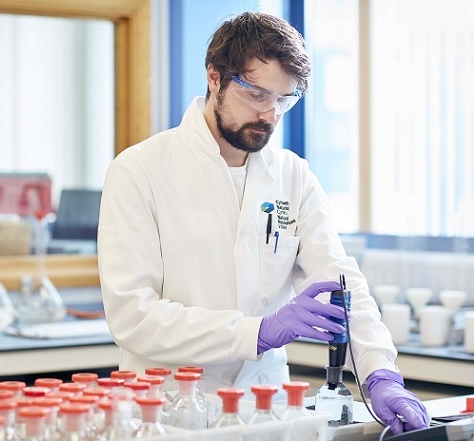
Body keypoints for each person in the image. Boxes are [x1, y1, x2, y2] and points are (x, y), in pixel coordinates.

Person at [97, 11, 429, 434]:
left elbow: (343, 284)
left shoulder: (293, 176)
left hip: (266, 411)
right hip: (169, 413)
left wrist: (381, 372)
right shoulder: (139, 171)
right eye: (256, 95)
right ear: (214, 77)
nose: (270, 115)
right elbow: (133, 315)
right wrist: (257, 332)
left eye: (284, 100)